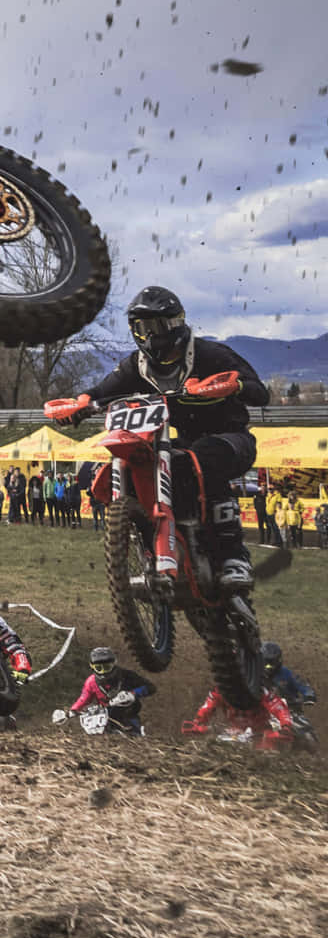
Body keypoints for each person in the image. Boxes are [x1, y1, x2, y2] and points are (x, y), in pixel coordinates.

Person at [47, 286, 269, 591]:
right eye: (142, 328)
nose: (150, 334)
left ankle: (235, 557)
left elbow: (260, 391)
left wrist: (234, 386)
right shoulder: (136, 366)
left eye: (157, 326)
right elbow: (101, 392)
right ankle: (163, 546)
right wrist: (80, 406)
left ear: (176, 323)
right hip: (185, 441)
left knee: (201, 458)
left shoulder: (210, 355)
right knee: (151, 461)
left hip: (232, 438)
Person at [66, 646, 154, 736]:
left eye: (107, 667)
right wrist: (71, 711)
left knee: (134, 733)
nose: (103, 672)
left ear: (114, 664)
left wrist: (133, 694)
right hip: (105, 717)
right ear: (92, 667)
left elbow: (150, 687)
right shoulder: (91, 682)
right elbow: (83, 699)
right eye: (99, 668)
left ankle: (136, 733)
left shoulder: (127, 675)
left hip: (128, 713)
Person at [262, 641, 315, 718]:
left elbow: (303, 685)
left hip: (291, 713)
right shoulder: (255, 675)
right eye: (265, 663)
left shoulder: (286, 673)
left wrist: (309, 695)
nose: (268, 666)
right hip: (266, 715)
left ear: (278, 661)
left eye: (271, 663)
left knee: (305, 728)